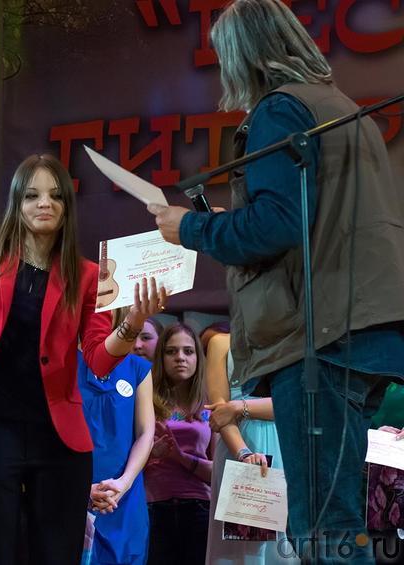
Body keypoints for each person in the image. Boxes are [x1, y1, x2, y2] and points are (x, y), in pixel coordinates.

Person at [148, 1, 404, 561]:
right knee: (337, 521)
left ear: (245, 55)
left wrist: (191, 227)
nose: (223, 71)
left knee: (323, 525)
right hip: (362, 330)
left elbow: (277, 225)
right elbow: (308, 220)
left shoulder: (280, 109)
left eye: (224, 56)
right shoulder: (341, 109)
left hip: (321, 335)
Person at [0, 153, 166, 565]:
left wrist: (132, 323)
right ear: (17, 203)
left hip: (58, 438)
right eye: (32, 195)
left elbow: (98, 359)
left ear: (67, 206)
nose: (44, 203)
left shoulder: (88, 275)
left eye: (55, 195)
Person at [202, 324, 295, 564]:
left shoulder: (294, 341)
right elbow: (220, 413)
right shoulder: (220, 343)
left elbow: (298, 403)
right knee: (239, 548)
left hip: (287, 443)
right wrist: (243, 453)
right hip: (237, 447)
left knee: (284, 545)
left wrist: (239, 407)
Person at [79, 308, 156, 565]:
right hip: (72, 491)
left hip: (124, 495)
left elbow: (145, 433)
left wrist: (123, 483)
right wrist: (81, 490)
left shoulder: (137, 368)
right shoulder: (62, 363)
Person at [144, 323, 213, 565]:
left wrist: (181, 458)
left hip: (200, 507)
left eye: (188, 351)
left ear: (198, 358)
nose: (180, 358)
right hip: (154, 506)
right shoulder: (146, 401)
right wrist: (152, 453)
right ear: (161, 358)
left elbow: (219, 472)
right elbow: (127, 461)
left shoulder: (209, 405)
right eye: (171, 351)